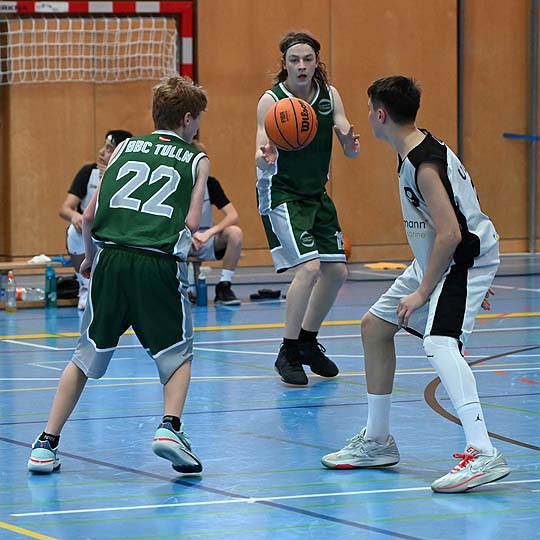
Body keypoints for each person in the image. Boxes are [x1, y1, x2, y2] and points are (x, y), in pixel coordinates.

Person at [321, 75, 510, 493]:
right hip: (447, 258)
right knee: (375, 328)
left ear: (381, 114)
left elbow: (451, 233)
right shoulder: (417, 149)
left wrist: (429, 289)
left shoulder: (424, 165)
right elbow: (457, 217)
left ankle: (482, 451)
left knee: (439, 343)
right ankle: (377, 441)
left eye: (368, 110)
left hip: (457, 257)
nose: (367, 116)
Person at [28, 75, 210, 475]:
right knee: (178, 354)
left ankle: (45, 444)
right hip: (157, 264)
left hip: (110, 261)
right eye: (199, 118)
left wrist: (90, 258)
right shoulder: (197, 159)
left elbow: (89, 215)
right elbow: (193, 221)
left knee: (83, 356)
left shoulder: (125, 147)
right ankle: (170, 427)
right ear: (187, 118)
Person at [255, 31, 360, 386]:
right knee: (310, 267)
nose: (301, 66)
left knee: (337, 272)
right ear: (284, 63)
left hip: (316, 194)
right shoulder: (271, 100)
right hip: (282, 193)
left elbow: (348, 143)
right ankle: (287, 351)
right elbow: (260, 151)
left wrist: (349, 142)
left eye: (308, 59)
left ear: (317, 62)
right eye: (294, 60)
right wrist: (266, 155)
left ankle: (307, 342)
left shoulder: (330, 95)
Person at [60, 129, 133, 310]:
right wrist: (75, 216)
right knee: (73, 231)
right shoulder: (88, 172)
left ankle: (122, 289)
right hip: (91, 232)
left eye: (109, 149)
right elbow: (64, 209)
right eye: (103, 146)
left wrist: (110, 178)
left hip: (117, 232)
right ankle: (85, 286)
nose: (101, 152)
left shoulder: (129, 176)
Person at [188, 141, 243, 305]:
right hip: (182, 239)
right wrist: (187, 236)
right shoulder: (175, 183)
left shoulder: (210, 184)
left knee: (235, 233)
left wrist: (208, 233)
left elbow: (232, 215)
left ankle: (224, 286)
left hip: (205, 239)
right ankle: (180, 288)